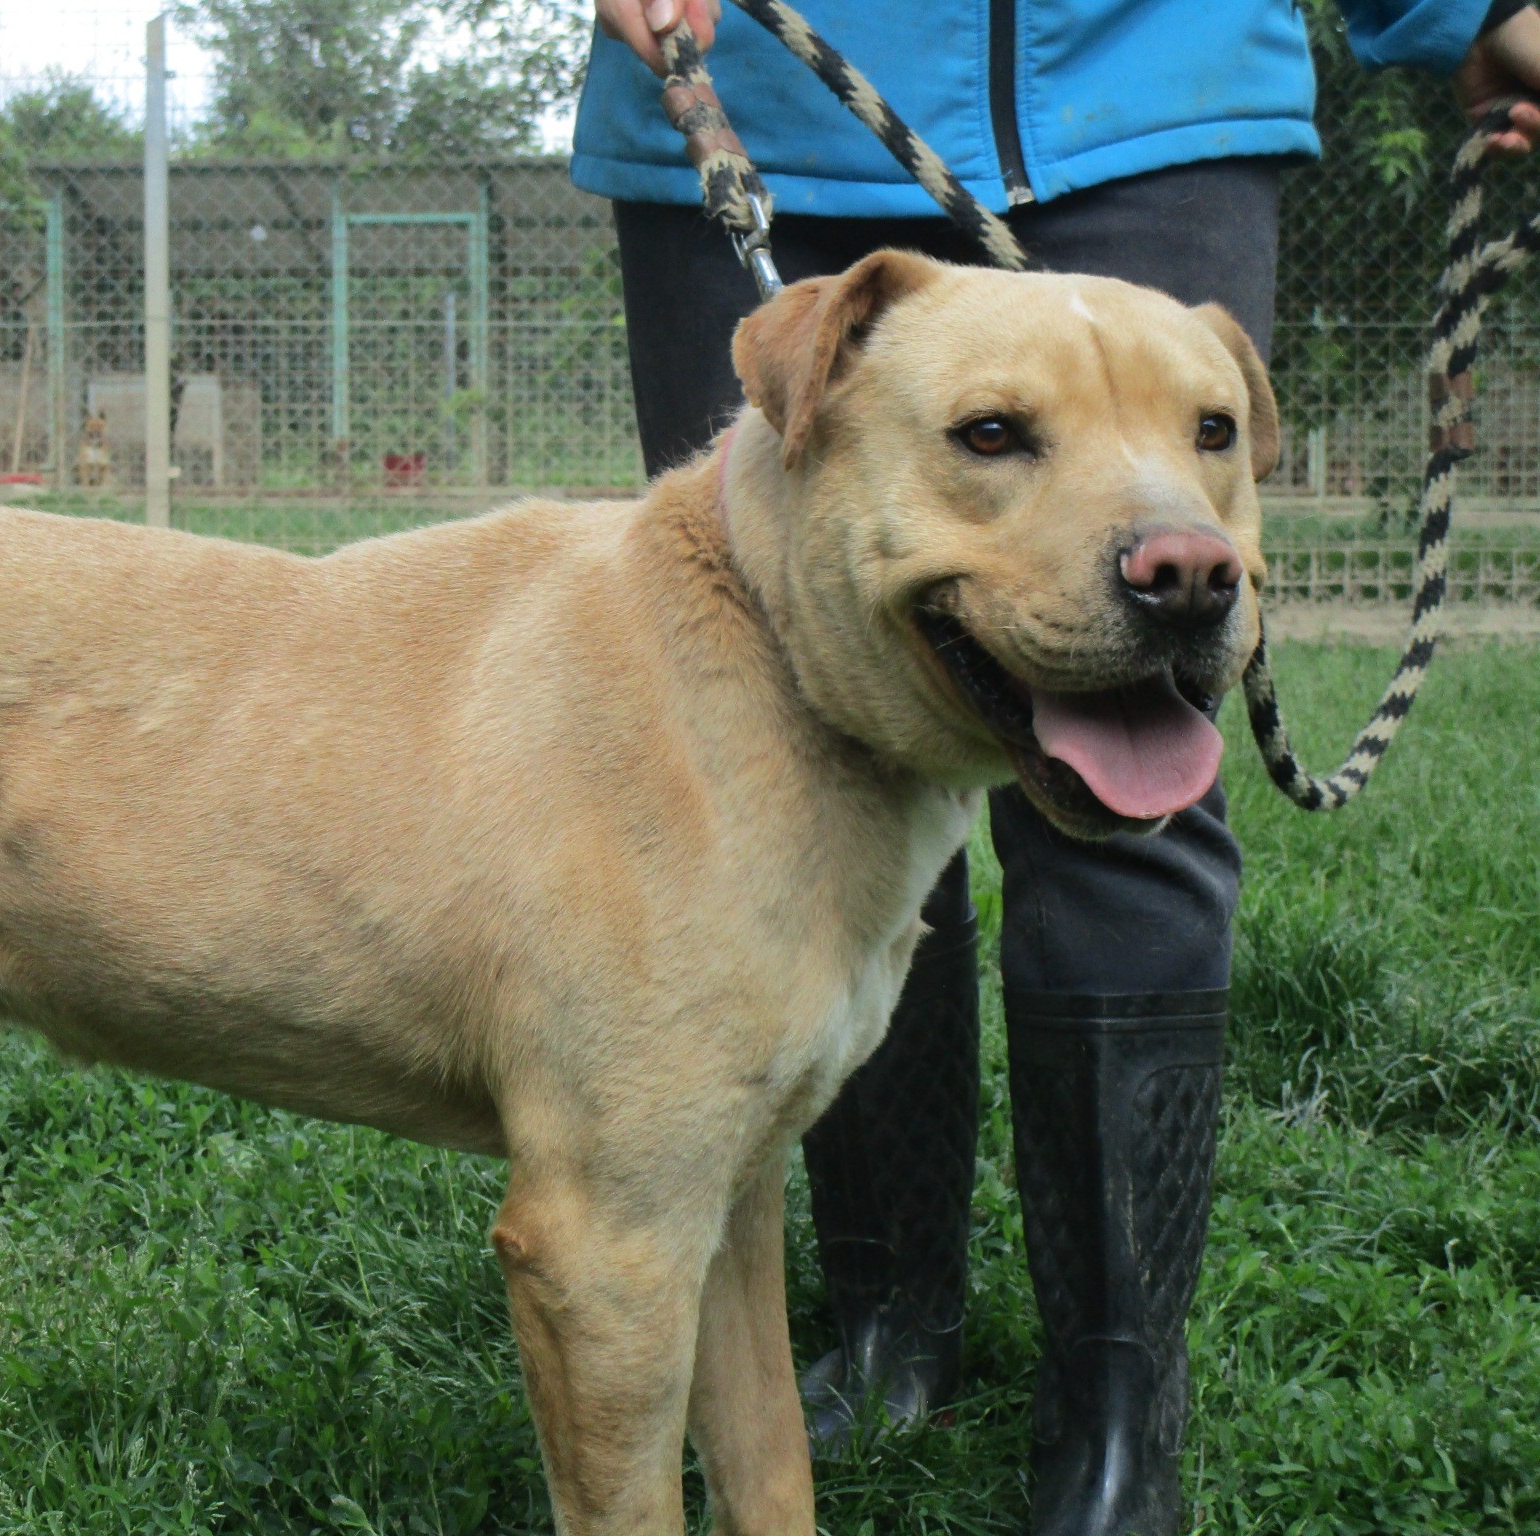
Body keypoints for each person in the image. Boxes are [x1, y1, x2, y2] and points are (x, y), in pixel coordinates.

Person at [570, 3, 1540, 1532]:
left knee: (1136, 809)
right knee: (796, 752)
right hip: (762, 79)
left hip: (1153, 87)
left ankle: (1117, 1409)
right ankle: (888, 1322)